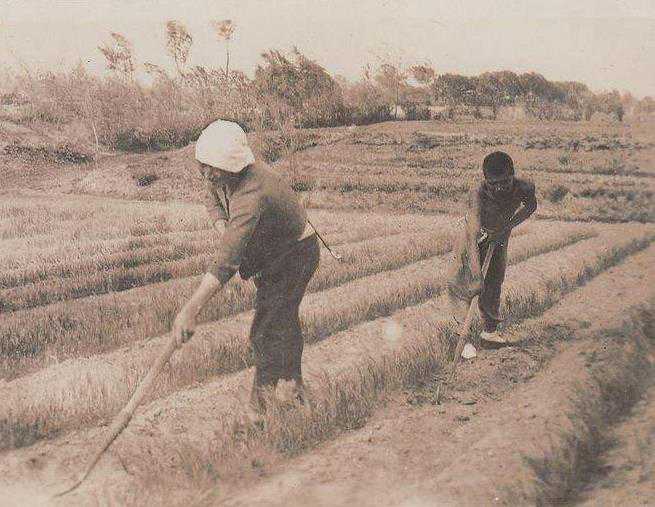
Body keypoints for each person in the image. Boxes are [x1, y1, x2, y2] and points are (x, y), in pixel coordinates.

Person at [172, 119, 320, 413]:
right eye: (202, 165)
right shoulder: (219, 178)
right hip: (272, 257)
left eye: (212, 168)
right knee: (284, 321)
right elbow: (211, 198)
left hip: (295, 257)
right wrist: (222, 227)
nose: (206, 173)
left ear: (234, 166)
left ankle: (259, 412)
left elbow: (227, 260)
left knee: (265, 331)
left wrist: (190, 310)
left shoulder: (253, 191)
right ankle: (295, 386)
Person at [446, 151, 537, 357]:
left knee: (495, 279)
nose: (499, 188)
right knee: (461, 280)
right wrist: (476, 273)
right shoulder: (478, 192)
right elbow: (472, 235)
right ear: (485, 180)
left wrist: (507, 227)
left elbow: (531, 206)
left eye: (504, 182)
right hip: (474, 233)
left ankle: (490, 332)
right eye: (493, 183)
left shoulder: (525, 187)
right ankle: (461, 335)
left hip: (500, 233)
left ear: (513, 176)